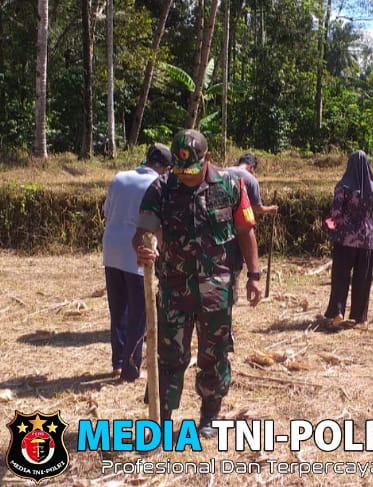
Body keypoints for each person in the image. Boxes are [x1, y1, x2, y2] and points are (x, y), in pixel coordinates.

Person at [132, 129, 262, 438]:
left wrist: (255, 276)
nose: (186, 178)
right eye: (180, 171)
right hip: (175, 290)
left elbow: (246, 232)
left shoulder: (232, 186)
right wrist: (142, 247)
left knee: (214, 355)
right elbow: (142, 232)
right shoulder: (161, 188)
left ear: (208, 160)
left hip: (217, 291)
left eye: (192, 171)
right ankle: (161, 419)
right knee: (168, 356)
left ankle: (209, 416)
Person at [101, 143, 171, 382]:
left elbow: (106, 211)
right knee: (138, 313)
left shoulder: (120, 177)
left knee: (118, 308)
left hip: (111, 249)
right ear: (166, 168)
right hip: (138, 250)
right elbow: (158, 222)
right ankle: (131, 369)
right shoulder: (159, 185)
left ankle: (118, 363)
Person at [324, 150, 373, 328]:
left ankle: (337, 313)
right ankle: (361, 318)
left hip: (345, 239)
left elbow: (335, 213)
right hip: (366, 240)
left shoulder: (343, 187)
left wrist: (337, 221)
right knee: (363, 278)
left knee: (341, 276)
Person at [226, 153, 279, 277]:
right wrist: (270, 209)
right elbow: (256, 208)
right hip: (238, 228)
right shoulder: (250, 180)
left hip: (217, 228)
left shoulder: (223, 172)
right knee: (234, 265)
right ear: (251, 167)